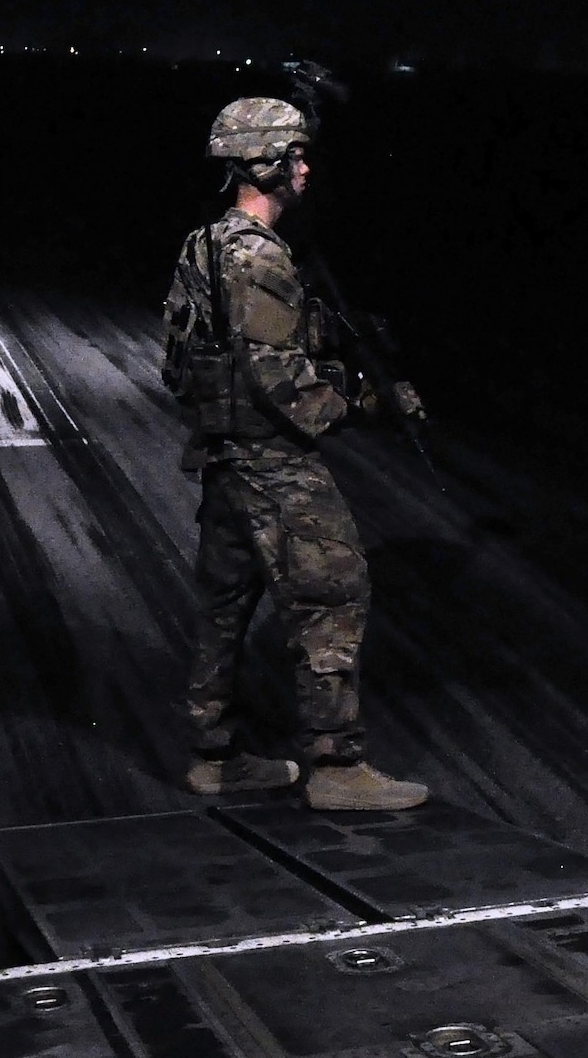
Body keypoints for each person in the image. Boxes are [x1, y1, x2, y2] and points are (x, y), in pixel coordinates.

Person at [160, 95, 430, 811]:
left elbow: (186, 358)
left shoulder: (206, 244)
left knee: (225, 604)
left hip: (224, 453)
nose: (306, 167)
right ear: (265, 163)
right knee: (334, 590)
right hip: (272, 458)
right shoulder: (258, 257)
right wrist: (367, 404)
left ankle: (213, 755)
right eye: (296, 155)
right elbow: (283, 380)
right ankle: (337, 765)